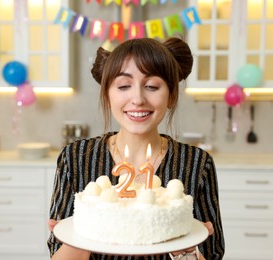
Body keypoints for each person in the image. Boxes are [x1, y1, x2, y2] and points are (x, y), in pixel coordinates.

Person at [47, 37, 225, 260]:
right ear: (107, 94)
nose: (138, 99)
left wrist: (185, 254)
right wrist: (85, 232)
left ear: (170, 95)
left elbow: (212, 253)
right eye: (123, 86)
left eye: (151, 86)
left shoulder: (197, 163)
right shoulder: (76, 158)